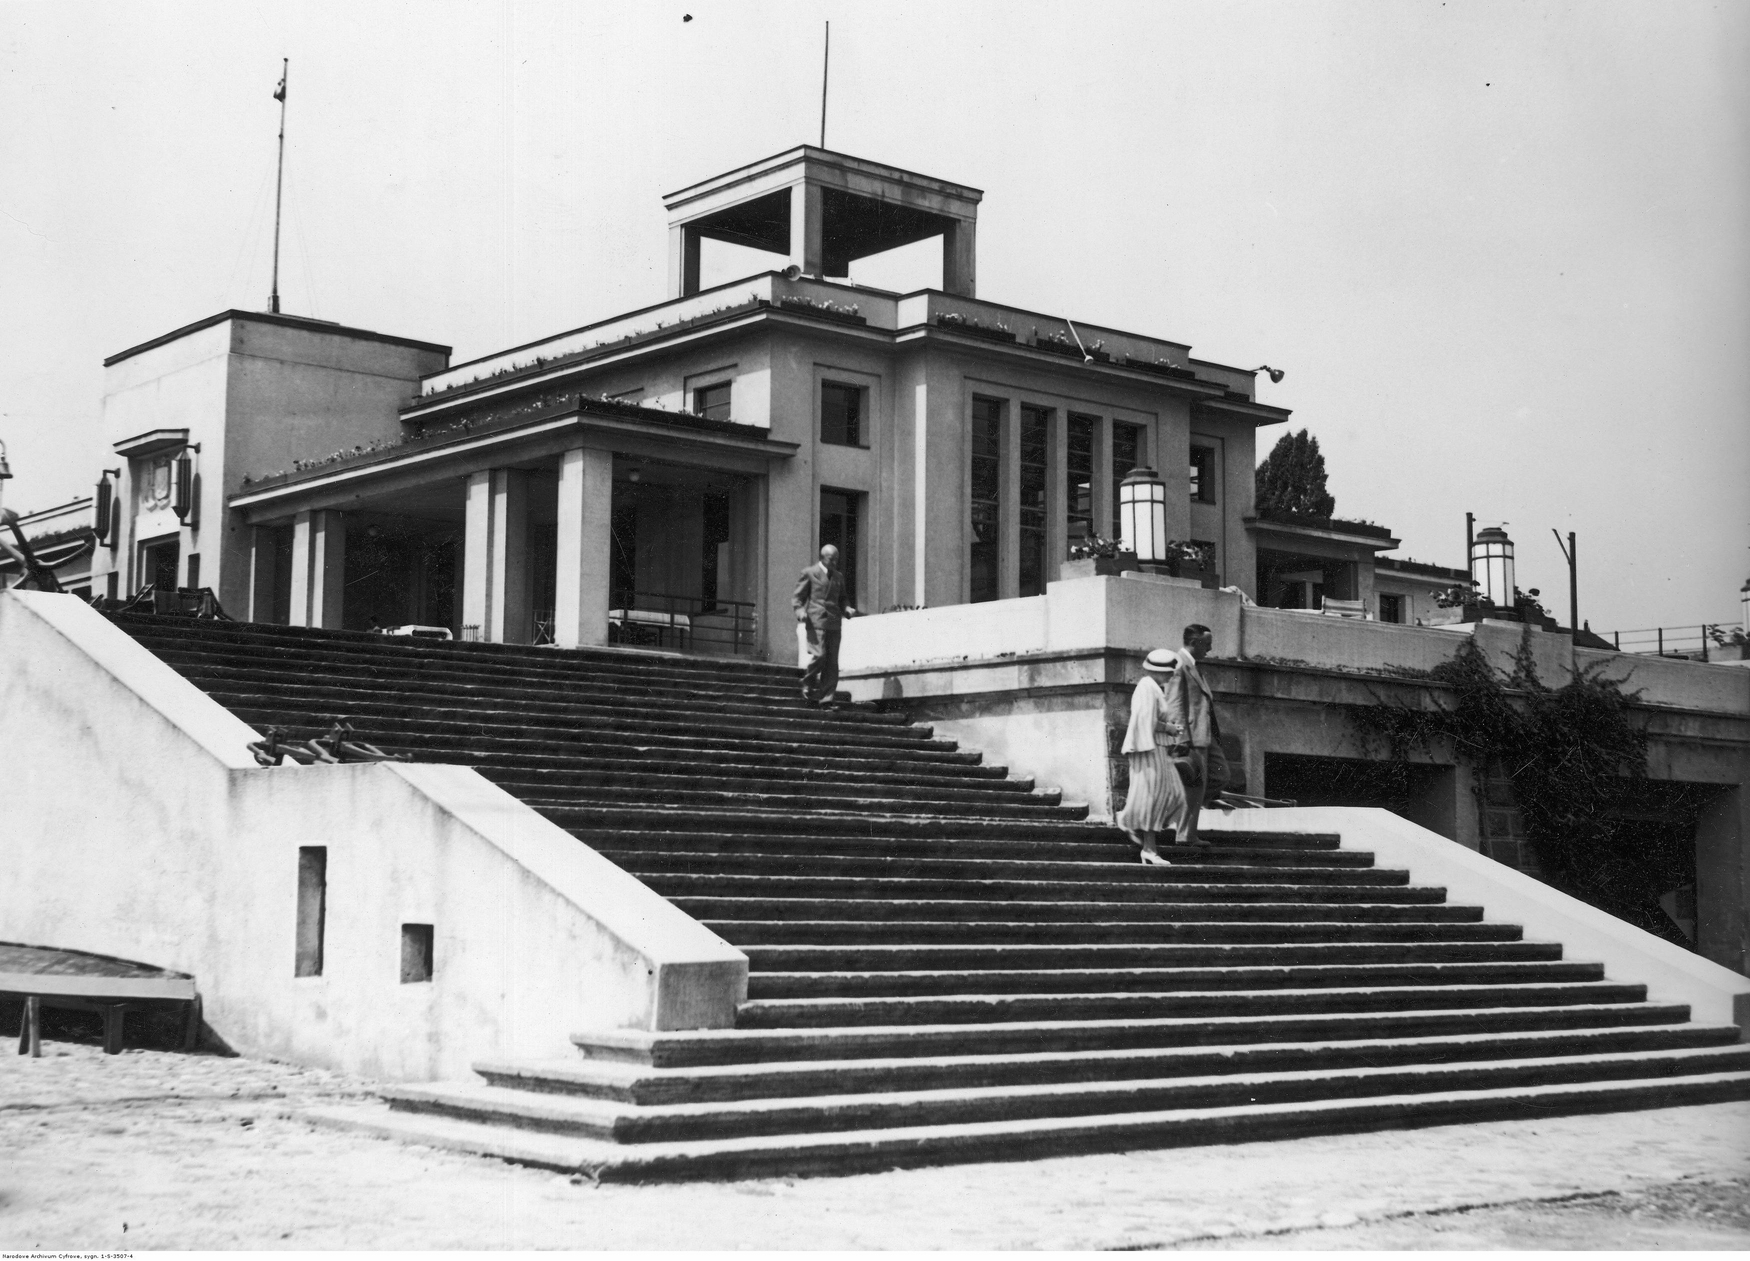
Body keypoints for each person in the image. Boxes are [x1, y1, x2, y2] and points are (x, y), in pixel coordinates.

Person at [1116, 648, 1189, 866]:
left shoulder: (1155, 688)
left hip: (1157, 748)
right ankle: (1149, 848)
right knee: (1152, 797)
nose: (1171, 675)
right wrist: (1168, 728)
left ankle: (1129, 820)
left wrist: (1168, 730)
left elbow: (1150, 719)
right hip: (1148, 749)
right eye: (1168, 671)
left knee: (1174, 795)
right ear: (1158, 670)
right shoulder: (1146, 686)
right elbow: (1145, 719)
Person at [1161, 622, 1228, 848]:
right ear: (1194, 642)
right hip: (1191, 736)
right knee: (1195, 785)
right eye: (1207, 644)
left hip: (1206, 735)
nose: (1210, 649)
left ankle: (1171, 814)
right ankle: (1186, 835)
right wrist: (1181, 739)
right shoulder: (1178, 665)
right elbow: (1174, 704)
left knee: (1220, 776)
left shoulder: (1195, 666)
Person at [792, 544, 854, 704]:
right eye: (831, 559)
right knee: (820, 655)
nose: (834, 563)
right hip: (816, 621)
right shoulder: (810, 573)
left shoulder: (838, 577)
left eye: (836, 560)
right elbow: (798, 598)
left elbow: (843, 598)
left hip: (834, 623)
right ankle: (808, 681)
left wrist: (847, 608)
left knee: (832, 662)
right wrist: (800, 612)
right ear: (822, 557)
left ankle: (827, 698)